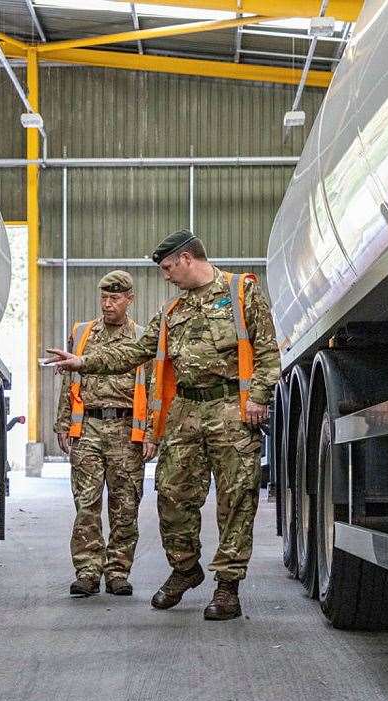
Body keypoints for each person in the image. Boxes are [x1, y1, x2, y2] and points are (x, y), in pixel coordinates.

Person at [46, 231, 281, 620]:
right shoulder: (173, 311)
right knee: (171, 496)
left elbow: (268, 352)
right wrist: (83, 362)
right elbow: (137, 351)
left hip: (231, 410)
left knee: (236, 499)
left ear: (187, 258)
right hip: (186, 411)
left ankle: (227, 588)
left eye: (169, 268)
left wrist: (258, 397)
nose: (167, 276)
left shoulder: (243, 293)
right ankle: (185, 569)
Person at [53, 270, 157, 597]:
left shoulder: (142, 339)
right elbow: (69, 380)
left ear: (129, 299)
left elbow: (154, 388)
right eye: (104, 297)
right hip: (89, 428)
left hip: (127, 431)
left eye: (115, 298)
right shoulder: (82, 333)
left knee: (125, 505)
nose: (108, 304)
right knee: (87, 503)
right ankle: (87, 571)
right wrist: (63, 422)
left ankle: (117, 571)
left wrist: (152, 433)